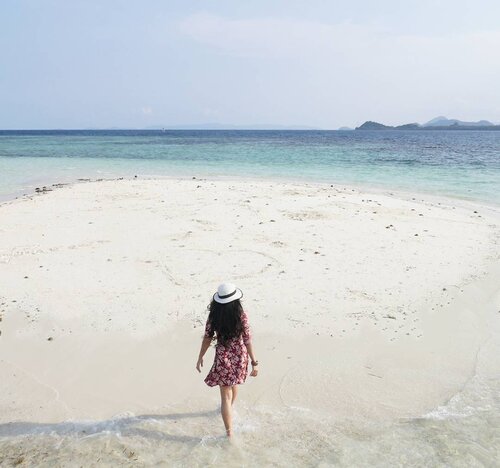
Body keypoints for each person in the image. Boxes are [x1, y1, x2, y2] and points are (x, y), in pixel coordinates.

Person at [196, 282, 259, 437]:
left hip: (223, 359)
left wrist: (200, 356)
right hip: (240, 358)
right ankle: (229, 409)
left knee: (225, 395)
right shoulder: (241, 315)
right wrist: (254, 363)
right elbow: (248, 340)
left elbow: (207, 338)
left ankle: (229, 433)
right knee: (234, 385)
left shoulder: (214, 317)